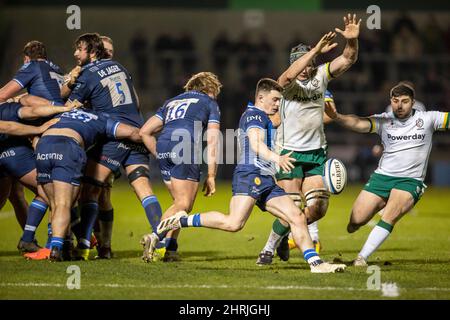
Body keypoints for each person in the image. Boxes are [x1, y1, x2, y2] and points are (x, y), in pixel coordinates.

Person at [155, 78, 346, 273]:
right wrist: (276, 158)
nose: (278, 104)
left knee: (296, 216)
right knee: (233, 223)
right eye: (275, 100)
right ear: (261, 98)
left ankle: (316, 264)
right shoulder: (253, 115)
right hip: (250, 176)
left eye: (280, 100)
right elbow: (256, 144)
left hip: (266, 179)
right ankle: (181, 220)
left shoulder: (265, 117)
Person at [258, 14, 361, 264]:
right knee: (290, 209)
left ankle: (285, 235)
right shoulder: (285, 85)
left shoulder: (321, 75)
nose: (305, 69)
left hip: (316, 154)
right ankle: (269, 246)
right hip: (289, 155)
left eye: (309, 64)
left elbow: (347, 59)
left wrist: (353, 41)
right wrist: (315, 48)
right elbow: (284, 78)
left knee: (318, 208)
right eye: (301, 64)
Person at [325, 83, 449, 266]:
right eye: (395, 101)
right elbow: (358, 122)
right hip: (382, 177)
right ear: (391, 101)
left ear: (413, 102)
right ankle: (381, 201)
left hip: (410, 180)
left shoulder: (429, 118)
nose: (399, 105)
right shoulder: (384, 120)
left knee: (389, 216)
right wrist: (336, 116)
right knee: (355, 222)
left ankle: (361, 258)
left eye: (405, 101)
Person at [66, 33, 163, 260]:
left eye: (79, 49)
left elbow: (68, 106)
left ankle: (83, 246)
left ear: (91, 51)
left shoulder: (87, 74)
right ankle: (162, 241)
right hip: (137, 130)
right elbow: (136, 102)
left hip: (114, 135)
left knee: (91, 188)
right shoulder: (118, 66)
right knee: (143, 188)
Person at [34, 107, 141, 261]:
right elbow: (131, 132)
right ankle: (57, 249)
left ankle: (65, 244)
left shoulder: (62, 112)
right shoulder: (100, 117)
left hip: (44, 146)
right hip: (68, 146)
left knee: (55, 204)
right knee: (64, 204)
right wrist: (146, 138)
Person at [139, 71, 222, 262]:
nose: (216, 96)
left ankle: (170, 249)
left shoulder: (171, 101)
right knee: (183, 204)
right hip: (184, 144)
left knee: (179, 203)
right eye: (215, 91)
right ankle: (156, 239)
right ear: (209, 88)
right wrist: (211, 174)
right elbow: (213, 139)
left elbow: (145, 131)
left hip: (165, 144)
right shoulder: (209, 103)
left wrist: (160, 154)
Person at [0, 40, 64, 239]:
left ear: (26, 59)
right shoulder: (58, 71)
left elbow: (4, 95)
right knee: (52, 190)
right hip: (51, 131)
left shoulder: (30, 68)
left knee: (23, 194)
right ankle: (55, 240)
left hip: (28, 139)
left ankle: (34, 239)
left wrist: (14, 100)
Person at [0, 101, 75, 252]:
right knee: (52, 191)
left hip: (7, 155)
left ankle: (29, 240)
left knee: (16, 195)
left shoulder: (9, 104)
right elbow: (9, 125)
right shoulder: (10, 107)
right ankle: (55, 242)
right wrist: (38, 129)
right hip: (13, 154)